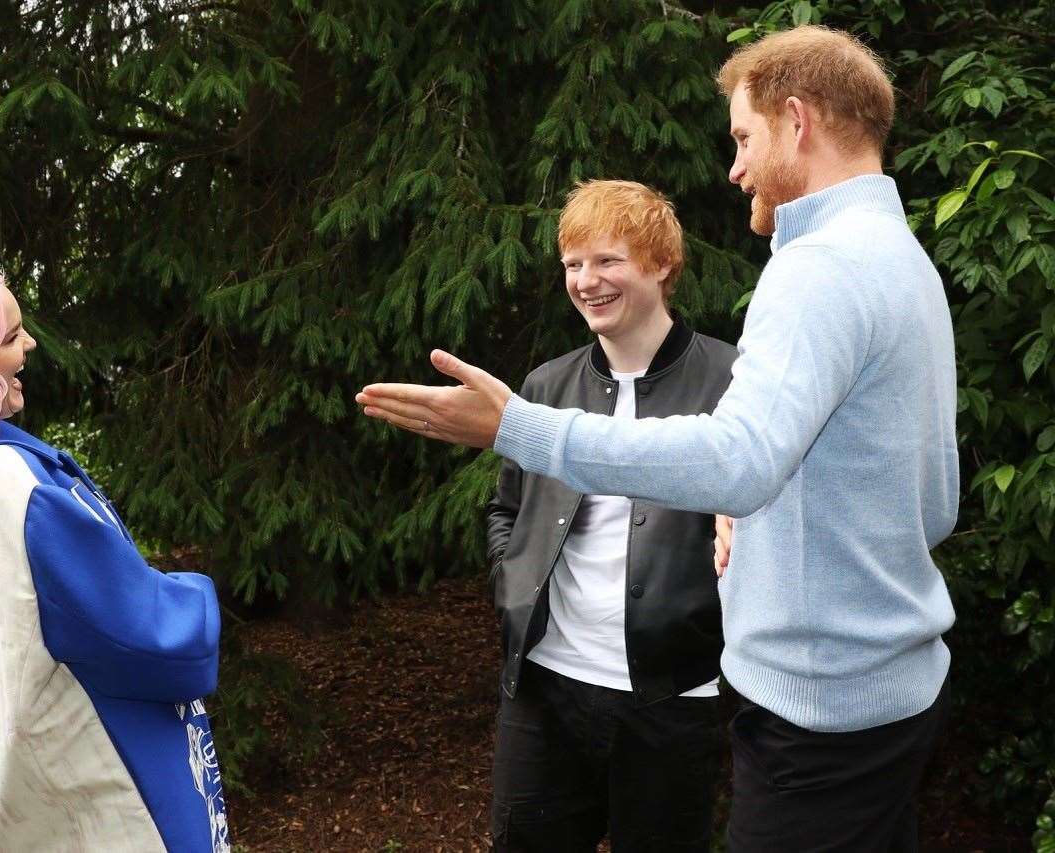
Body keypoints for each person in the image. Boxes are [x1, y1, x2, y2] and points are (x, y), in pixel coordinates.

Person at [357, 25, 956, 852]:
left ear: (797, 121)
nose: (736, 166)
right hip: (887, 702)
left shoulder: (817, 267)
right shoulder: (904, 262)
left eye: (744, 138)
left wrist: (519, 428)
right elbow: (931, 497)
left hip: (818, 718)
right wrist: (763, 512)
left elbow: (738, 462)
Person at [0, 265, 230, 853]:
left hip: (3, 780)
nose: (30, 344)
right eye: (10, 337)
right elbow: (147, 637)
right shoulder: (15, 487)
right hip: (92, 791)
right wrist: (194, 591)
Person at [486, 180, 735, 852]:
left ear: (660, 264)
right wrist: (512, 580)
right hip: (544, 688)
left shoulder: (733, 381)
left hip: (673, 698)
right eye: (573, 264)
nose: (586, 281)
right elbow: (507, 506)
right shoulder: (546, 385)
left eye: (607, 261)